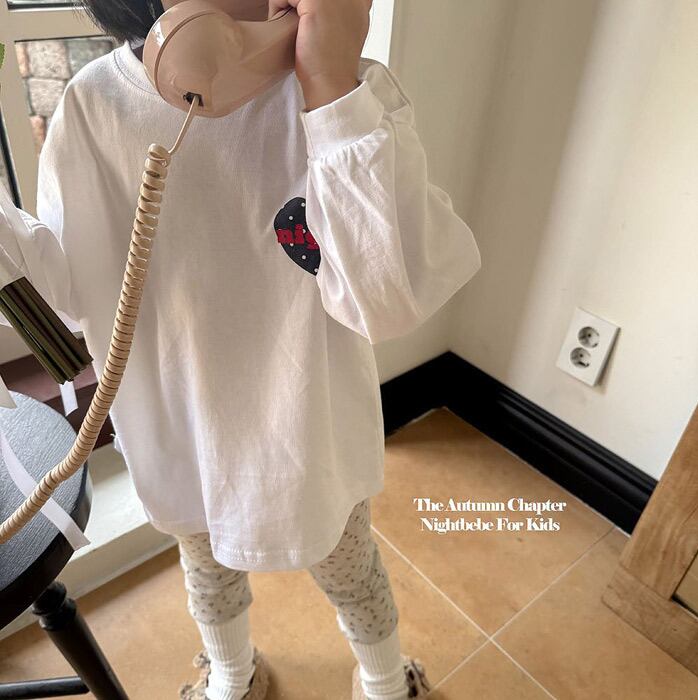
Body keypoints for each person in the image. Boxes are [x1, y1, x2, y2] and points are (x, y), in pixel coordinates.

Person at [0, 0, 481, 697]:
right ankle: (231, 670)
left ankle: (384, 677)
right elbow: (71, 293)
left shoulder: (342, 96)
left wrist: (333, 92)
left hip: (309, 426)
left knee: (349, 566)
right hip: (184, 427)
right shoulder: (95, 105)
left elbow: (388, 299)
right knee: (206, 564)